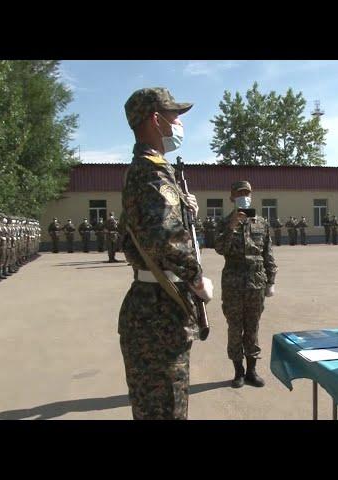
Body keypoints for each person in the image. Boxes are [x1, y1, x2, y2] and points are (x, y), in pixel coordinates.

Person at [119, 87, 213, 420]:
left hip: (151, 304)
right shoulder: (151, 173)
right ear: (156, 120)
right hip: (158, 311)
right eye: (174, 116)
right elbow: (164, 239)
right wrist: (196, 277)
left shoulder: (144, 170)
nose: (179, 123)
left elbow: (135, 235)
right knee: (167, 409)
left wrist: (185, 213)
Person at [215, 180, 277, 389]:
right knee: (235, 328)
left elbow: (268, 253)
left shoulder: (261, 222)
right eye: (239, 192)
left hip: (256, 283)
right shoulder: (225, 222)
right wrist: (232, 226)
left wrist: (271, 280)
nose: (243, 195)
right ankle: (238, 372)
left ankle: (252, 371)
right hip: (233, 283)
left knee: (252, 328)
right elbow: (220, 249)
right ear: (232, 197)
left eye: (247, 192)